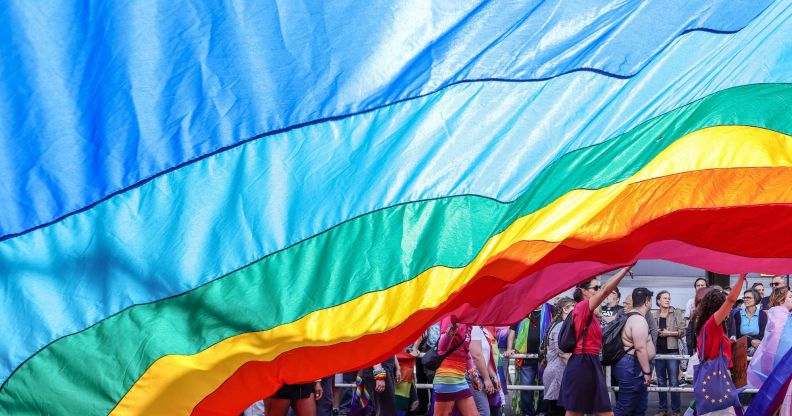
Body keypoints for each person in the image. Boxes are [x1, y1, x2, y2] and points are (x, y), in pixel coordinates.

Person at [559, 266, 633, 416]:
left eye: (598, 287)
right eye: (595, 288)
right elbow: (606, 290)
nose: (599, 290)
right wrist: (624, 269)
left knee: (598, 411)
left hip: (588, 362)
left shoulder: (590, 312)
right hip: (583, 363)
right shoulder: (582, 308)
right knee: (578, 412)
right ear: (583, 291)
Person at [694, 274, 747, 416]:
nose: (730, 309)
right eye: (726, 307)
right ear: (718, 307)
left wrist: (729, 343)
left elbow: (714, 346)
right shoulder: (713, 323)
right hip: (718, 377)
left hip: (715, 376)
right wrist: (741, 278)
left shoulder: (709, 326)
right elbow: (731, 300)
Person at [747, 286, 792, 415]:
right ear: (780, 300)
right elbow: (780, 342)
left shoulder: (778, 314)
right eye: (790, 297)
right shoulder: (780, 315)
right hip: (782, 366)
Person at [613, 288, 655, 416]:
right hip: (633, 366)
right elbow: (640, 348)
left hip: (634, 365)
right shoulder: (638, 320)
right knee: (625, 407)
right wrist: (647, 372)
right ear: (647, 302)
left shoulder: (630, 317)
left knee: (639, 407)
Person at [503, 304, 551, 416]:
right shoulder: (522, 310)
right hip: (525, 358)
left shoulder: (550, 310)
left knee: (545, 387)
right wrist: (509, 349)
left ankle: (541, 412)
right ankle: (528, 413)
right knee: (526, 387)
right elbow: (512, 331)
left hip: (544, 359)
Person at [433, 316, 478, 416]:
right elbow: (442, 347)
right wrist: (451, 330)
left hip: (460, 378)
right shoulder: (450, 317)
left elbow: (466, 352)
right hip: (447, 377)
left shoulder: (469, 323)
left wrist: (473, 375)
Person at [654, 291, 686, 416]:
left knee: (674, 381)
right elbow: (649, 331)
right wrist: (655, 332)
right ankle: (662, 409)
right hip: (658, 351)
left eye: (669, 298)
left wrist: (669, 333)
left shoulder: (676, 312)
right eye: (664, 298)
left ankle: (676, 410)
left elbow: (683, 331)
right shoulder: (654, 314)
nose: (667, 300)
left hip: (673, 351)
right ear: (658, 301)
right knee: (660, 381)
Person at [542, 297, 575, 416]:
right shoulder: (561, 326)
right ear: (565, 309)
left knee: (557, 409)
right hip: (558, 373)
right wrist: (576, 372)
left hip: (558, 372)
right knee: (558, 410)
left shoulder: (560, 325)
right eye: (574, 307)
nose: (576, 311)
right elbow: (562, 352)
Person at [470, 326, 503, 416]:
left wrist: (494, 377)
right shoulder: (475, 328)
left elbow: (486, 359)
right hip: (474, 377)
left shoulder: (483, 330)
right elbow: (476, 355)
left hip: (479, 376)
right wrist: (487, 379)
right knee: (484, 412)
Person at [410, 322, 441, 415]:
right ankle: (428, 408)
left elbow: (424, 333)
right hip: (429, 348)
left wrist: (415, 347)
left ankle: (428, 408)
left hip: (430, 349)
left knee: (430, 379)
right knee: (426, 379)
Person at [729, 289, 766, 353]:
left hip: (758, 349)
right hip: (741, 349)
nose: (745, 300)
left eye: (748, 298)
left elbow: (764, 334)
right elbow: (736, 335)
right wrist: (750, 341)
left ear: (756, 299)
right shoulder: (738, 314)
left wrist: (756, 343)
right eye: (744, 297)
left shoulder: (762, 314)